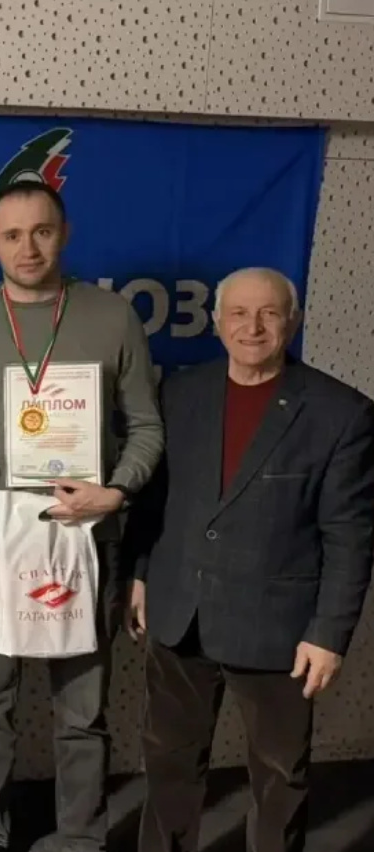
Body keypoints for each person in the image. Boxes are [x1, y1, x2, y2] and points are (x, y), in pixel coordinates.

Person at [0, 180, 163, 852]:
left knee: (82, 708)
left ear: (64, 234)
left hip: (85, 535)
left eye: (41, 231)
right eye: (11, 235)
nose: (28, 247)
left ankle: (81, 835)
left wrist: (115, 492)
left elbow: (147, 427)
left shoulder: (113, 317)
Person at [127, 267, 374, 852]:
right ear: (217, 323)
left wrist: (328, 635)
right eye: (238, 313)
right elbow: (155, 499)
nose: (252, 327)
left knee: (279, 777)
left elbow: (350, 537)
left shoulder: (342, 413)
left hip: (279, 630)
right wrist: (140, 575)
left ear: (294, 321)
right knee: (168, 764)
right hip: (179, 612)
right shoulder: (181, 394)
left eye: (268, 313)